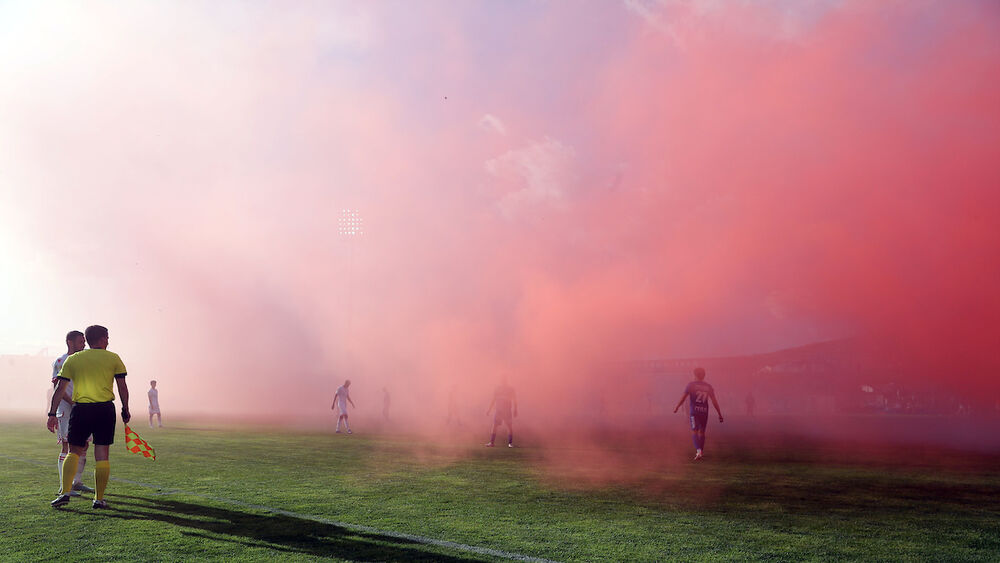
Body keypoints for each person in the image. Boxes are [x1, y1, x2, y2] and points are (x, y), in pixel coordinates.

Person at [47, 325, 130, 509]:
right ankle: (99, 499)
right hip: (104, 409)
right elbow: (122, 387)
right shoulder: (114, 358)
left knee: (73, 451)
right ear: (101, 339)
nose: (108, 341)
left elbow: (59, 389)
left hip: (81, 409)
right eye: (107, 337)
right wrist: (125, 408)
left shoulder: (74, 359)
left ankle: (65, 493)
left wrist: (52, 413)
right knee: (101, 454)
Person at [51, 330, 94, 497]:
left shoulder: (84, 361)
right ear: (70, 342)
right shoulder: (61, 361)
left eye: (84, 341)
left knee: (84, 445)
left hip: (82, 407)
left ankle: (77, 482)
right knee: (67, 445)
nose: (84, 344)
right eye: (80, 342)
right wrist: (72, 402)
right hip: (67, 409)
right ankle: (65, 487)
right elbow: (58, 388)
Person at [673, 367, 723, 460]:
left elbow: (683, 397)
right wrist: (719, 414)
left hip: (694, 412)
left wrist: (677, 406)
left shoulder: (691, 385)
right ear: (704, 376)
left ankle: (698, 451)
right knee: (702, 433)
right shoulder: (708, 387)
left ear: (695, 375)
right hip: (704, 412)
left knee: (694, 431)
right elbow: (714, 401)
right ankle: (700, 452)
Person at [485, 376, 517, 448]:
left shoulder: (510, 389)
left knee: (509, 426)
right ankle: (492, 442)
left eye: (504, 380)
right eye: (502, 380)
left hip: (507, 410)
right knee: (494, 426)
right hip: (499, 410)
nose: (503, 381)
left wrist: (515, 409)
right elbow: (493, 399)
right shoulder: (497, 389)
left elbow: (515, 400)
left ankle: (510, 443)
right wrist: (489, 410)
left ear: (506, 381)